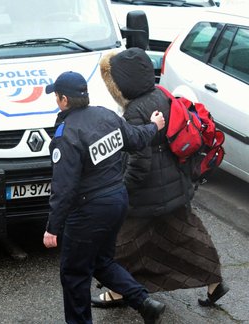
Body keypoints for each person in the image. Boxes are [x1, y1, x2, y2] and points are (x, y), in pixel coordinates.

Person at [92, 47, 229, 308]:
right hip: (175, 185)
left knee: (120, 242)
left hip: (147, 193)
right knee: (189, 236)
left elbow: (140, 163)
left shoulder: (134, 112)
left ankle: (118, 292)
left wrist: (122, 189)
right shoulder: (161, 95)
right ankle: (215, 284)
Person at [42, 71, 167, 324]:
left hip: (89, 210)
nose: (56, 101)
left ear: (64, 99)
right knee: (100, 262)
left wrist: (52, 227)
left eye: (56, 96)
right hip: (116, 201)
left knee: (74, 274)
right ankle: (144, 302)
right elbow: (135, 139)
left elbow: (63, 187)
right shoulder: (105, 115)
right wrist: (153, 126)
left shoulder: (67, 135)